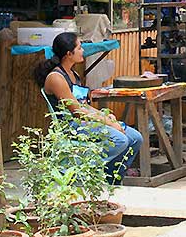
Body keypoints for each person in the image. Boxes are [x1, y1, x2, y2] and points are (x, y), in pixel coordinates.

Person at [35, 32, 142, 183]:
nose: (83, 51)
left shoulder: (73, 74)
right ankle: (79, 172)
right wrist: (109, 123)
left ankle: (111, 180)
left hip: (85, 122)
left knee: (135, 138)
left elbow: (84, 105)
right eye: (79, 48)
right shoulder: (56, 78)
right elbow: (77, 112)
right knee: (119, 140)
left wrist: (106, 116)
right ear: (69, 54)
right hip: (71, 126)